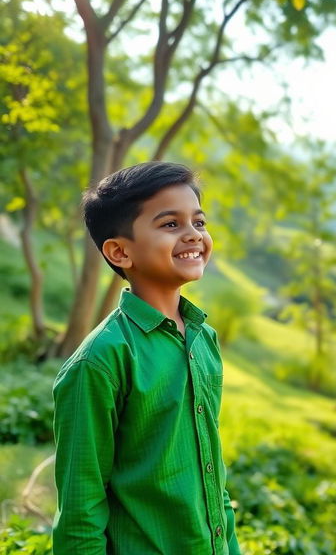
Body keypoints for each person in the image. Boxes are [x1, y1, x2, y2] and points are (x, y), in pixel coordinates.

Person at [52, 162, 241, 554]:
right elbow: (79, 511)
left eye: (199, 222)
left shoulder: (204, 339)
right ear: (120, 251)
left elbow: (213, 477)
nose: (193, 235)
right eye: (170, 224)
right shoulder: (100, 361)